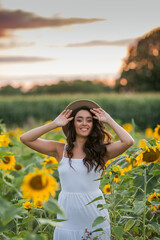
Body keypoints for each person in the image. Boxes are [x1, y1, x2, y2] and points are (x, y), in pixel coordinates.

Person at [20, 99, 135, 240]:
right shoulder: (59, 150)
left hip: (95, 218)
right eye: (79, 120)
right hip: (67, 219)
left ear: (94, 124)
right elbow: (25, 138)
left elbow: (128, 141)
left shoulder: (102, 151)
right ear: (72, 124)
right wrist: (54, 124)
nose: (84, 124)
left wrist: (109, 120)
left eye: (89, 120)